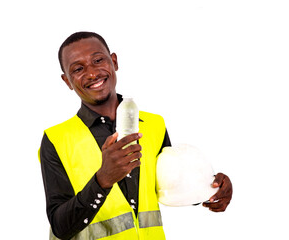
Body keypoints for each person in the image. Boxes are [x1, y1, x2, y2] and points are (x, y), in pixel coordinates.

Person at [39, 31, 233, 240]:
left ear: (114, 61)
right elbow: (60, 226)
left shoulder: (154, 125)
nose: (92, 73)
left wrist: (211, 188)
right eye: (78, 68)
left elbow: (170, 186)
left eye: (98, 60)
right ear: (67, 81)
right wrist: (102, 180)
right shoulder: (56, 139)